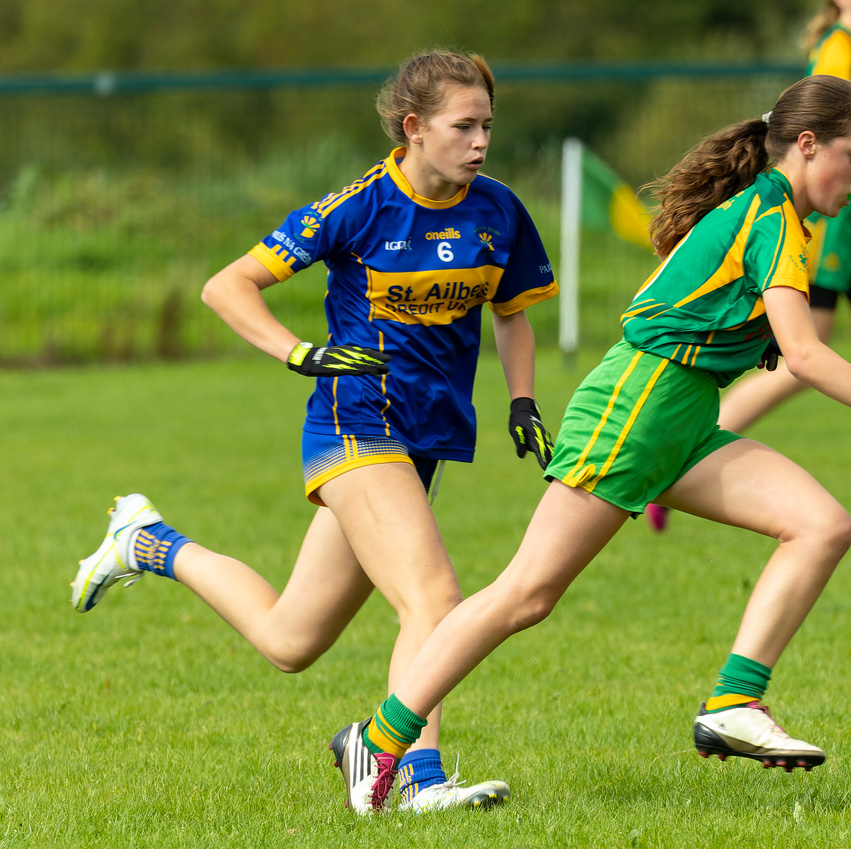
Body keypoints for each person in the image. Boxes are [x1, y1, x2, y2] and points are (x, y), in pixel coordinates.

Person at [325, 74, 851, 812]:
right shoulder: (769, 217)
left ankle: (734, 703)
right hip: (637, 407)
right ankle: (378, 740)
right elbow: (805, 354)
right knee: (526, 593)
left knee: (821, 525)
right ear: (806, 144)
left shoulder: (778, 214)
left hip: (684, 413)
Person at [70, 49, 558, 816]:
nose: (481, 142)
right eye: (464, 126)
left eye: (487, 126)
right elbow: (227, 286)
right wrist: (298, 352)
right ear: (413, 128)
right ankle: (413, 776)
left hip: (424, 439)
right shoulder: (359, 206)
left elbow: (512, 312)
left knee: (289, 639)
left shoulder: (498, 210)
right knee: (434, 597)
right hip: (355, 424)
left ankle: (147, 541)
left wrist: (522, 399)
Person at [646, 0, 851, 538]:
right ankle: (682, 454)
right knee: (804, 355)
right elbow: (821, 142)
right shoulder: (838, 48)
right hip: (833, 227)